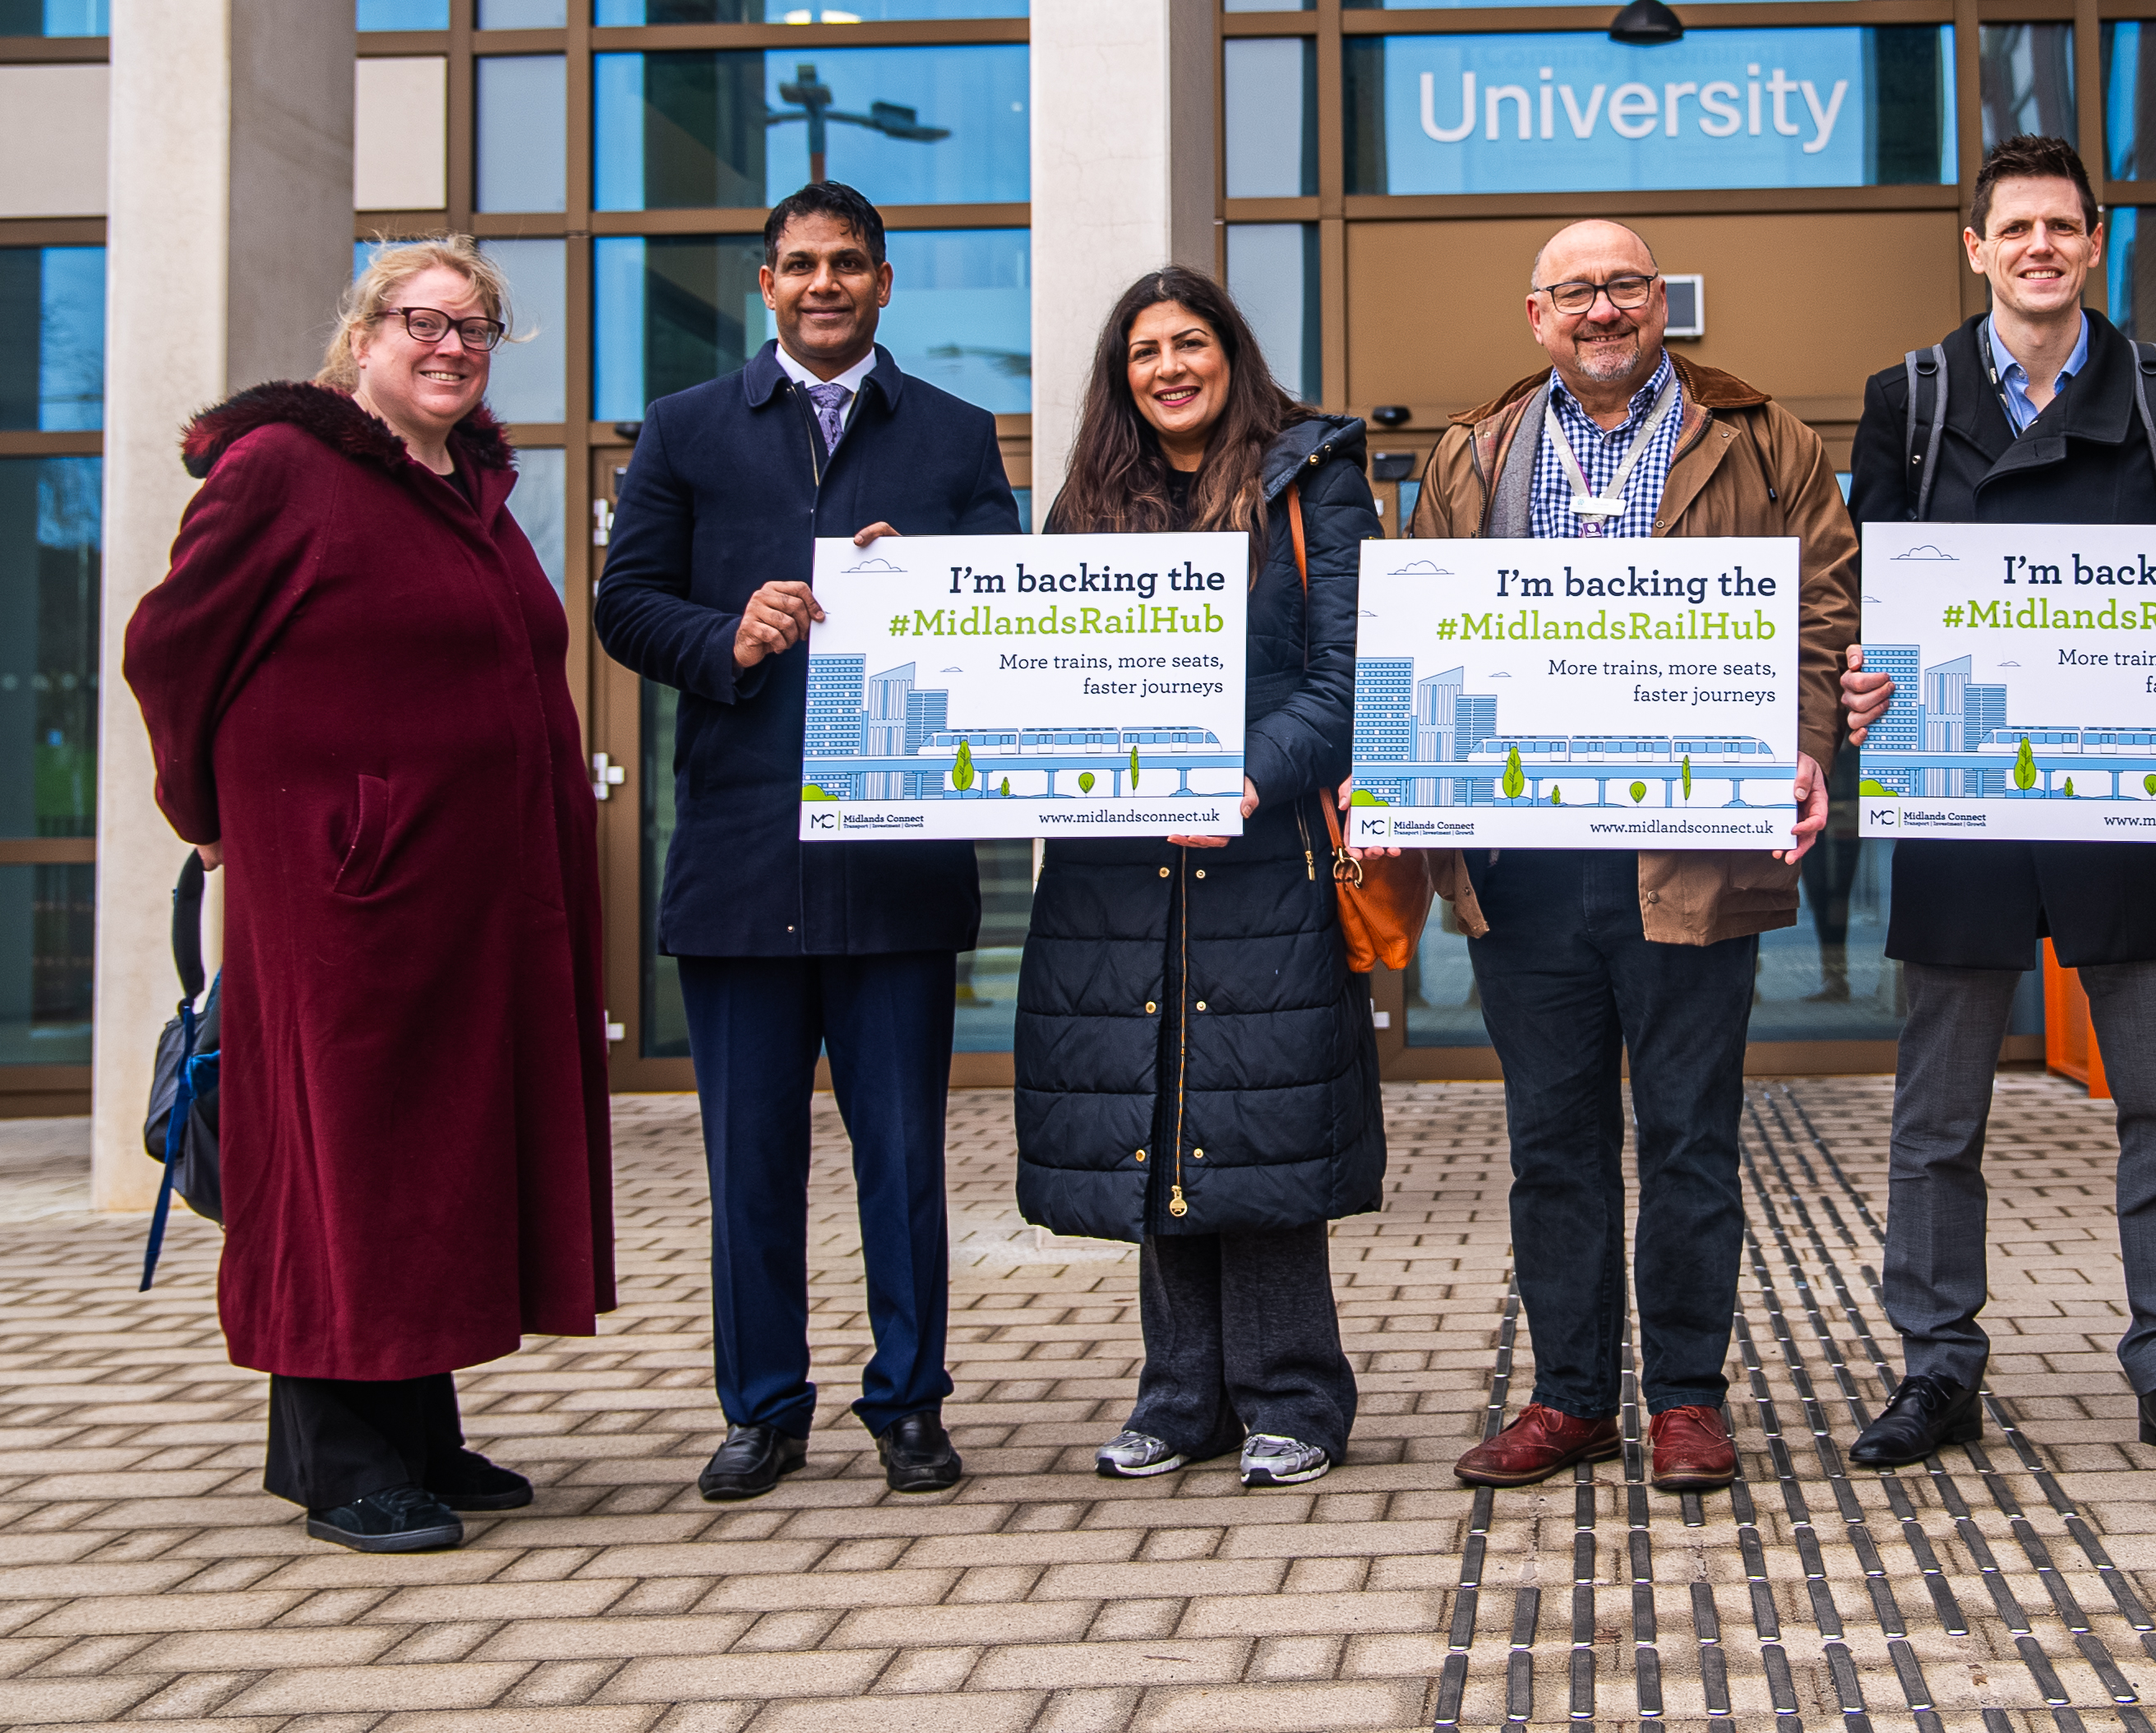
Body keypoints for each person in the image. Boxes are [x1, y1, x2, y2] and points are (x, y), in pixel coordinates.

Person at [124, 240, 612, 1555]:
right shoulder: (283, 469)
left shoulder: (468, 488)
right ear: (362, 336)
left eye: (475, 329)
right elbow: (169, 650)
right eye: (423, 322)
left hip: (470, 899)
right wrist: (212, 821)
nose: (450, 347)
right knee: (345, 1156)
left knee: (432, 1158)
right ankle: (338, 1460)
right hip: (347, 892)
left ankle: (417, 1427)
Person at [1392, 218, 1854, 1494]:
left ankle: (1689, 1401)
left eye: (1627, 286)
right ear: (1536, 317)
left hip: (1690, 846)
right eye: (1577, 291)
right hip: (1526, 859)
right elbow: (1420, 623)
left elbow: (1824, 605)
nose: (1604, 309)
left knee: (1692, 1135)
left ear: (1663, 305)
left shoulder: (1763, 439)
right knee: (1554, 1141)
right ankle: (1572, 1398)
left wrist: (1807, 743)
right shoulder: (1473, 452)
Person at [593, 181, 1021, 1503]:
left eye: (848, 264)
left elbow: (1003, 607)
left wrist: (930, 588)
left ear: (885, 283)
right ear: (762, 285)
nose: (823, 283)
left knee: (903, 1160)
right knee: (752, 1164)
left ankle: (909, 1404)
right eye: (799, 265)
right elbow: (624, 608)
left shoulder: (951, 434)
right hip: (738, 858)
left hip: (894, 862)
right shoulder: (687, 429)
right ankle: (763, 1409)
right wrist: (730, 633)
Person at [1833, 136, 2156, 1477]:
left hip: (2119, 796)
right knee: (1936, 1116)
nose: (2039, 249)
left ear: (2092, 243)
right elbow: (1869, 597)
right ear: (1977, 247)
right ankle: (1936, 1366)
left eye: (2062, 228)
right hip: (1959, 793)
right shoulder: (1903, 398)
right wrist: (1856, 684)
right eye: (2015, 229)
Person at [1013, 270, 1383, 1490]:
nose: (1168, 367)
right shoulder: (1085, 504)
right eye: (1143, 352)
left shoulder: (1312, 476)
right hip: (1117, 864)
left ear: (1231, 352)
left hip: (1261, 847)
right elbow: (1032, 660)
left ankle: (1293, 1395)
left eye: (1189, 343)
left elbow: (1352, 671)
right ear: (1121, 378)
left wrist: (1254, 780)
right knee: (1156, 1107)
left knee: (1258, 1107)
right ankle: (1180, 1396)